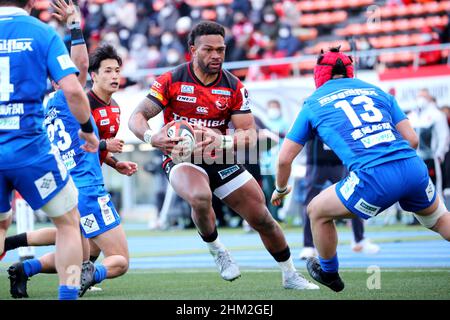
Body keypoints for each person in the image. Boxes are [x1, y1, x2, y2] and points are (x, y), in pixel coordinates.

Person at [128, 21, 318, 290]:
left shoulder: (234, 87)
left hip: (220, 157)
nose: (216, 55)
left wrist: (223, 140)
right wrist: (152, 137)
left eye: (221, 50)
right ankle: (218, 250)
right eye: (208, 50)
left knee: (262, 217)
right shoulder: (171, 80)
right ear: (193, 50)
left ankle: (290, 274)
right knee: (200, 196)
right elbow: (137, 117)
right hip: (182, 158)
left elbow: (249, 134)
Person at [271, 47, 450, 292]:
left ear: (319, 74)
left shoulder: (312, 103)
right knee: (439, 220)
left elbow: (283, 160)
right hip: (412, 167)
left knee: (317, 211)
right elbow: (413, 140)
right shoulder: (376, 91)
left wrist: (280, 189)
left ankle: (329, 273)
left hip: (373, 176)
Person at [4, 1, 136, 299]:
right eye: (109, 71)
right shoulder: (69, 98)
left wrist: (112, 160)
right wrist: (75, 27)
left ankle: (26, 267)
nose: (115, 75)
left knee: (78, 241)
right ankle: (84, 277)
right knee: (118, 260)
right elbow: (80, 69)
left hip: (65, 178)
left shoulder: (47, 102)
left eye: (118, 70)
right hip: (86, 185)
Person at [0, 0, 99, 300]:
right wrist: (87, 129)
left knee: (1, 224)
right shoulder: (41, 33)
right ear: (30, 3)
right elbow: (72, 87)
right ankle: (67, 296)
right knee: (69, 223)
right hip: (30, 150)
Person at [298, 136, 380, 260]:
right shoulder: (311, 116)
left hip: (340, 162)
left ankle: (359, 239)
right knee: (309, 202)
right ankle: (308, 245)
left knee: (353, 196)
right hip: (316, 162)